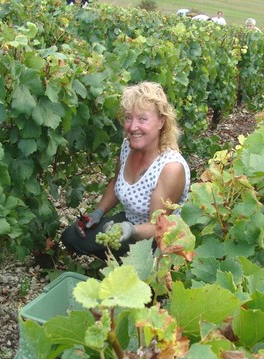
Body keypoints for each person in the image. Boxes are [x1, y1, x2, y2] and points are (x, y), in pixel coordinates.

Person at [61, 82, 191, 260]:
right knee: (71, 237)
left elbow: (157, 227)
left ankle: (136, 271)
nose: (132, 126)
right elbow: (116, 182)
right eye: (129, 118)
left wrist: (130, 229)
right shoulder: (128, 146)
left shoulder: (170, 168)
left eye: (142, 119)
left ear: (161, 121)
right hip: (129, 225)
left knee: (132, 281)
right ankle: (116, 259)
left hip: (157, 240)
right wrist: (98, 213)